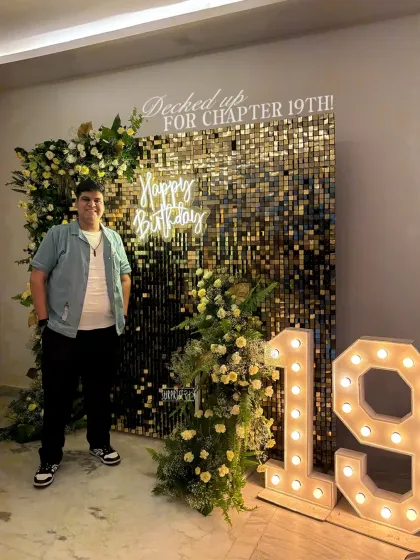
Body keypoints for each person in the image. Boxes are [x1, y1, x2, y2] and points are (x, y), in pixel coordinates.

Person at [30, 178, 132, 488]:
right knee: (57, 398)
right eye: (86, 199)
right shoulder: (59, 235)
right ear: (77, 203)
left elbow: (125, 277)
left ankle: (100, 444)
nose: (92, 204)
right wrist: (44, 320)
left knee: (99, 395)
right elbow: (38, 276)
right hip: (63, 334)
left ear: (103, 205)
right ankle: (50, 457)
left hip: (105, 333)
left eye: (97, 199)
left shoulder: (113, 238)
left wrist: (122, 315)